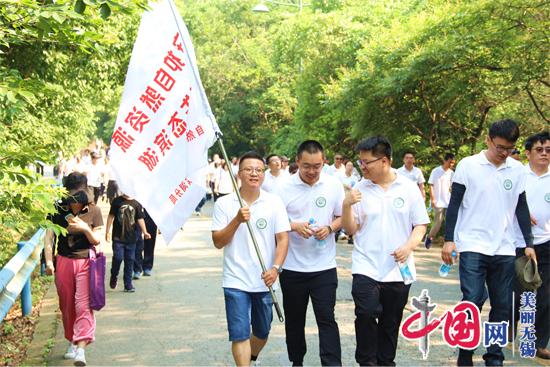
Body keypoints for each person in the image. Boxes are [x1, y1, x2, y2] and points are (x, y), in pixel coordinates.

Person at [441, 119, 536, 366]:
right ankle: (465, 352)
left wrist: (528, 242)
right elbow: (454, 205)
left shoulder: (517, 170)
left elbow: (521, 207)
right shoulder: (468, 165)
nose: (504, 153)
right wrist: (449, 240)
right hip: (472, 244)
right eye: (500, 147)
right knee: (472, 299)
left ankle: (494, 356)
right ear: (488, 140)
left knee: (502, 305)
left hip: (504, 247)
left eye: (510, 149)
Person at [342, 136, 429, 366]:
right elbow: (351, 230)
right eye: (360, 161)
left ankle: (385, 362)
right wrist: (346, 205)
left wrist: (408, 246)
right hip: (366, 266)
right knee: (366, 313)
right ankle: (367, 362)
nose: (363, 167)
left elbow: (420, 224)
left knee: (391, 321)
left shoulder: (409, 189)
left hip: (398, 269)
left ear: (385, 161)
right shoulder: (359, 189)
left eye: (367, 162)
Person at [212, 151, 289, 366]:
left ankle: (251, 359)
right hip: (235, 279)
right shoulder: (224, 204)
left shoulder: (274, 203)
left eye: (258, 170)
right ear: (239, 173)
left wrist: (275, 268)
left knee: (262, 331)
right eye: (248, 169)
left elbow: (283, 239)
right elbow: (218, 241)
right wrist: (237, 220)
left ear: (263, 174)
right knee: (240, 333)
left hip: (265, 280)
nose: (254, 174)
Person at [274, 140, 344, 366]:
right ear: (297, 162)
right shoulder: (282, 188)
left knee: (327, 319)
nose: (312, 171)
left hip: (324, 267)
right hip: (293, 268)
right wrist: (294, 226)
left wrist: (331, 228)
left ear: (324, 162)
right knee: (295, 321)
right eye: (307, 166)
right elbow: (274, 220)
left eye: (317, 166)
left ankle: (332, 363)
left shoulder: (333, 185)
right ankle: (297, 361)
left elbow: (343, 216)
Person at [44, 172, 103, 366]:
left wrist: (85, 229)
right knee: (67, 305)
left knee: (83, 306)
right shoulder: (57, 209)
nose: (76, 202)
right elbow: (49, 238)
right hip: (63, 261)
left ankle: (81, 349)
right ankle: (71, 340)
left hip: (86, 261)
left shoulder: (94, 211)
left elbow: (97, 240)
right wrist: (49, 262)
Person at [511, 132, 550, 359]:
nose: (544, 154)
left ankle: (540, 342)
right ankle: (507, 331)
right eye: (539, 149)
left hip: (546, 242)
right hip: (518, 242)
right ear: (528, 153)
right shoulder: (518, 174)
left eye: (548, 150)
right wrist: (522, 214)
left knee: (546, 296)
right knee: (518, 294)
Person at [105, 194, 151, 292]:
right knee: (118, 258)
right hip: (118, 237)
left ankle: (128, 284)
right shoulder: (117, 201)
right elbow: (111, 216)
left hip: (131, 238)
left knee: (130, 260)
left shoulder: (136, 203)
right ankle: (114, 275)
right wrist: (107, 231)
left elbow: (140, 218)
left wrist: (145, 231)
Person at [424, 153, 456, 249]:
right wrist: (433, 199)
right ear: (445, 160)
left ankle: (448, 242)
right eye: (450, 162)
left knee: (451, 222)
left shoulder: (452, 173)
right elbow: (431, 185)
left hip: (448, 201)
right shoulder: (436, 171)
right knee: (438, 222)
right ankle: (429, 237)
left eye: (453, 163)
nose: (451, 165)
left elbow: (452, 187)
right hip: (438, 201)